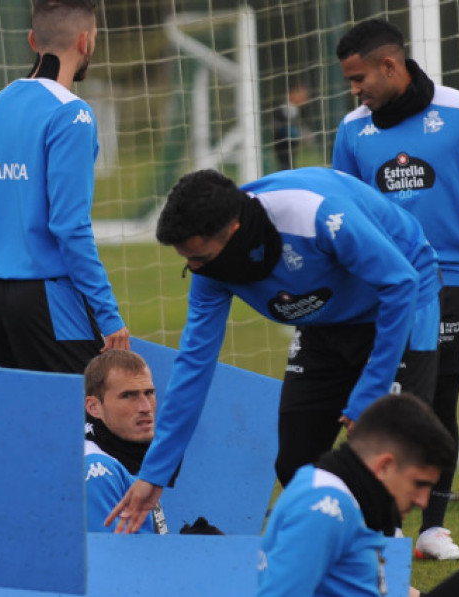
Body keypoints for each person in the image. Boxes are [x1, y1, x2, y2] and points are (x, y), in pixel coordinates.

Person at [105, 166, 441, 534]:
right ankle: (339, 550)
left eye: (198, 257)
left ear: (233, 231)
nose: (192, 268)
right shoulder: (210, 273)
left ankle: (381, 566)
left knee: (389, 452)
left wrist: (371, 391)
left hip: (399, 302)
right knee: (296, 461)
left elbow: (400, 282)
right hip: (324, 324)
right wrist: (155, 473)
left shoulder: (316, 214)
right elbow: (194, 366)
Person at [332, 18, 459, 560]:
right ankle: (382, 525)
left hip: (447, 283)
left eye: (359, 76)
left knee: (441, 405)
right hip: (381, 289)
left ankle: (433, 529)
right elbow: (341, 211)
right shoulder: (352, 130)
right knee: (381, 404)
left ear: (390, 65)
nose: (355, 89)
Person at [0, 0, 129, 376]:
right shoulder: (72, 113)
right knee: (94, 414)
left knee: (14, 423)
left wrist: (4, 265)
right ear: (85, 42)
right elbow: (70, 226)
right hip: (51, 298)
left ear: (33, 40)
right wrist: (108, 316)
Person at [257, 393, 459, 597]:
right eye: (419, 483)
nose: (422, 501)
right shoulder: (323, 509)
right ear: (384, 466)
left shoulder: (346, 493)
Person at [84, 349, 167, 534]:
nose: (145, 407)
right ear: (94, 407)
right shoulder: (98, 468)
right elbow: (111, 558)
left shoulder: (129, 454)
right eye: (128, 395)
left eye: (149, 393)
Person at [272, 82, 310, 170]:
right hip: (282, 148)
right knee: (285, 166)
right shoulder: (282, 108)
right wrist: (295, 132)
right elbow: (280, 128)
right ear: (293, 94)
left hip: (291, 148)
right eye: (302, 95)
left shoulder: (298, 110)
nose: (305, 99)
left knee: (291, 165)